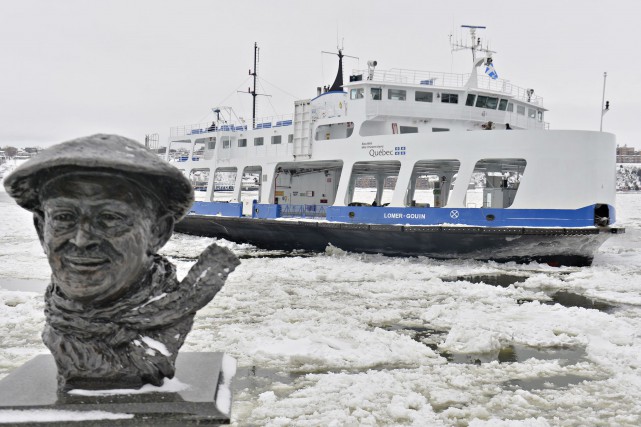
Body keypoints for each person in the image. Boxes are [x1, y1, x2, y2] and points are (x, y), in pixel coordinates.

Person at [3, 134, 239, 391]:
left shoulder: (170, 313)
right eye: (63, 217)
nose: (82, 240)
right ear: (41, 229)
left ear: (157, 232)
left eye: (110, 217)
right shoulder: (58, 322)